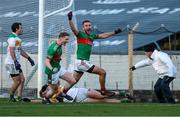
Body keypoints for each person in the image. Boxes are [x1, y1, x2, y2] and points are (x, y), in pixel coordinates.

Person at [67, 11, 122, 96]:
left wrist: (114, 32)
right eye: (86, 26)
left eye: (89, 25)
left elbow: (103, 35)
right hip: (82, 62)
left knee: (73, 81)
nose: (88, 27)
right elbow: (73, 29)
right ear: (83, 28)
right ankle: (103, 91)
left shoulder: (92, 36)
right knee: (102, 72)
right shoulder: (80, 34)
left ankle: (60, 93)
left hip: (81, 63)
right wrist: (70, 19)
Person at [5, 22, 35, 102]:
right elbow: (11, 50)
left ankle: (19, 97)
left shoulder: (17, 39)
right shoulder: (12, 38)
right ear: (16, 29)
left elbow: (19, 50)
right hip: (11, 63)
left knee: (22, 80)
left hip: (15, 63)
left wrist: (29, 58)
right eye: (21, 28)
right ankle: (11, 96)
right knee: (17, 81)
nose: (22, 29)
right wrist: (15, 61)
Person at [44, 32, 76, 102]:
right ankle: (45, 98)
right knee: (53, 90)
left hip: (58, 68)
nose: (67, 41)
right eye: (66, 39)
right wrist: (52, 69)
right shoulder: (53, 48)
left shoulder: (60, 45)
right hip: (52, 72)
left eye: (68, 40)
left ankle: (61, 93)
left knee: (72, 80)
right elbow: (46, 61)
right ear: (61, 38)